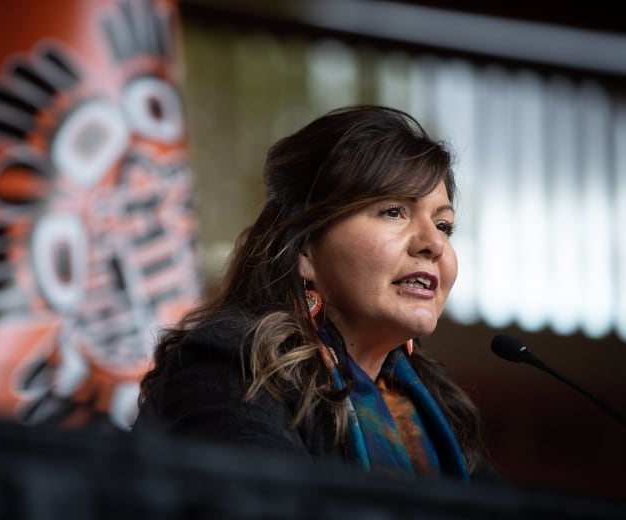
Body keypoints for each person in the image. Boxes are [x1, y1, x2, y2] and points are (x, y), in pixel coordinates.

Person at [133, 105, 491, 482]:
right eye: (393, 212)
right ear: (305, 249)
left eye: (443, 225)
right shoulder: (234, 363)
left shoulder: (437, 407)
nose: (433, 243)